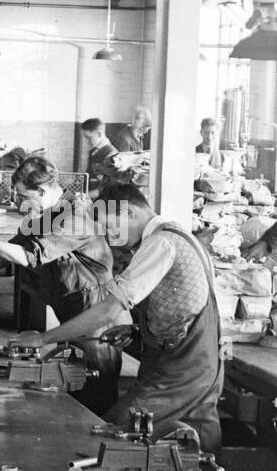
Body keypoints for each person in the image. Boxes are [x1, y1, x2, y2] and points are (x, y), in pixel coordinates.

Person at [11, 183, 224, 451]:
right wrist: (137, 329)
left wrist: (43, 339)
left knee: (112, 434)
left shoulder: (160, 243)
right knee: (194, 440)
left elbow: (110, 309)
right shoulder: (181, 236)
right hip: (195, 361)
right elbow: (186, 306)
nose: (110, 235)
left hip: (182, 367)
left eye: (110, 225)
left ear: (129, 211)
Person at [0, 156, 120, 414]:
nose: (20, 202)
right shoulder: (46, 214)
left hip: (95, 316)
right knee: (73, 383)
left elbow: (30, 256)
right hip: (70, 309)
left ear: (41, 191)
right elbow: (15, 247)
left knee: (95, 389)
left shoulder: (74, 217)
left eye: (22, 195)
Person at [80, 118, 120, 185]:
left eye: (88, 137)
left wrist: (85, 195)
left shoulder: (111, 154)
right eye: (85, 138)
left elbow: (108, 187)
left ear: (99, 134)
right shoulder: (93, 151)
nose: (86, 141)